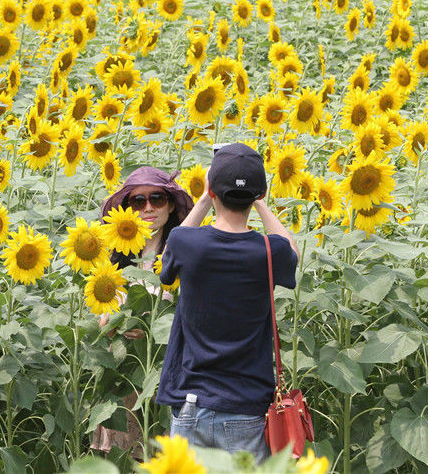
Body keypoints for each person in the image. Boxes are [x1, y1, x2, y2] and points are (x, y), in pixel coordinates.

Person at [156, 143, 300, 464]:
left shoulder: (186, 242)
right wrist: (262, 205)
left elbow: (167, 263)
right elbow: (293, 251)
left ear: (212, 189)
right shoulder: (268, 251)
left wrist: (205, 197)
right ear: (259, 193)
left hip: (190, 401)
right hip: (246, 407)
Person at [90, 166, 195, 459]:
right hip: (124, 380)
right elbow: (102, 323)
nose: (148, 207)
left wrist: (155, 327)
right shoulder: (116, 261)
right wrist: (115, 325)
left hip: (169, 379)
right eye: (138, 201)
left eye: (157, 199)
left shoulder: (182, 258)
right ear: (127, 210)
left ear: (171, 205)